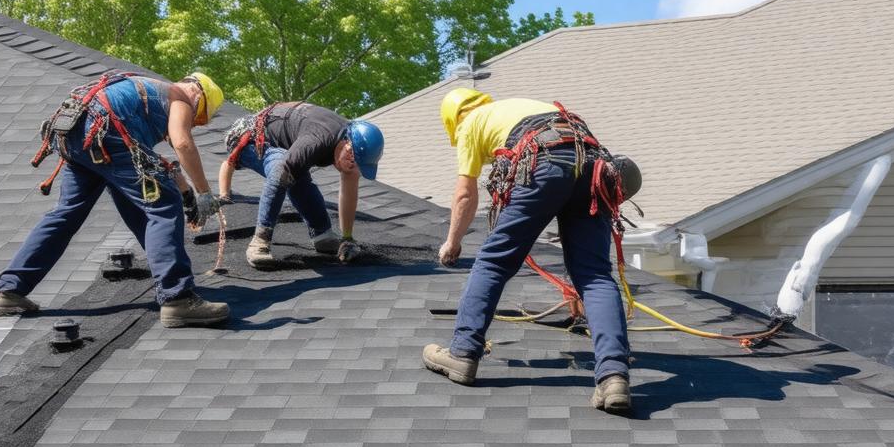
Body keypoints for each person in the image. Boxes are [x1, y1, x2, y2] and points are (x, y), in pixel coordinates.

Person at [421, 88, 634, 414]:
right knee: (594, 274)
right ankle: (614, 376)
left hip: (544, 158)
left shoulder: (470, 124)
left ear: (453, 120)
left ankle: (462, 353)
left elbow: (465, 194)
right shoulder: (521, 107)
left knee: (493, 262)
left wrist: (452, 242)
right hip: (593, 164)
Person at [0, 71, 231, 328]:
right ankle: (178, 299)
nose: (195, 123)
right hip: (106, 136)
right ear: (198, 96)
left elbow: (166, 160)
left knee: (70, 213)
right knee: (162, 207)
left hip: (75, 133)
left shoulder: (148, 90)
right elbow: (183, 144)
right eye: (200, 117)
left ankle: (10, 291)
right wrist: (204, 193)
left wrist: (187, 193)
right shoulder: (180, 97)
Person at [217, 102, 384, 267]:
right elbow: (281, 173)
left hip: (284, 145)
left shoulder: (351, 144)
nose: (351, 166)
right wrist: (262, 236)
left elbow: (349, 190)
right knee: (284, 170)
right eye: (352, 160)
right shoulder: (318, 139)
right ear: (347, 145)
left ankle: (323, 235)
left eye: (358, 165)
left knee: (297, 173)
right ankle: (259, 243)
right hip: (250, 138)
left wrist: (347, 238)